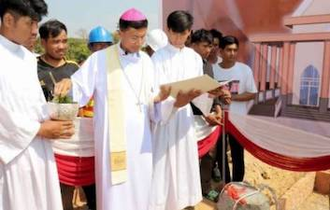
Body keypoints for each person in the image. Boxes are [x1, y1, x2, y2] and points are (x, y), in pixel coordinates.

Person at [54, 8, 170, 210]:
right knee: (114, 195)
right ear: (121, 33)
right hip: (112, 142)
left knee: (141, 188)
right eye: (134, 37)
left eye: (142, 37)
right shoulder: (100, 59)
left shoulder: (147, 62)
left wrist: (160, 99)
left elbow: (151, 99)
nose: (139, 42)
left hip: (142, 141)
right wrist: (69, 84)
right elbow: (79, 88)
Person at [0, 0, 75, 210]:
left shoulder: (27, 57)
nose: (35, 31)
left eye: (37, 23)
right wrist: (39, 129)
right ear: (8, 19)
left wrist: (56, 119)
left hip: (40, 148)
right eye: (30, 23)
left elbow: (31, 103)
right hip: (11, 154)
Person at [150, 11, 218, 210]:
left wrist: (210, 95)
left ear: (189, 32)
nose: (178, 38)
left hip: (185, 118)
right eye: (175, 33)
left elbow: (199, 89)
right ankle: (162, 204)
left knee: (184, 163)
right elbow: (155, 93)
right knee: (163, 164)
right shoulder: (158, 58)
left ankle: (185, 203)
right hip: (166, 118)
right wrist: (173, 102)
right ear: (168, 30)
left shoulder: (194, 58)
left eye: (183, 33)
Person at [37, 19, 96, 210]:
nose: (61, 46)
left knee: (91, 185)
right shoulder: (33, 68)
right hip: (50, 139)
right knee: (61, 190)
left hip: (79, 138)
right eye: (55, 42)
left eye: (64, 41)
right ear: (43, 42)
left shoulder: (75, 69)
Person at [212, 35, 257, 183]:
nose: (232, 53)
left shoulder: (244, 70)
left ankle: (237, 185)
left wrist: (233, 97)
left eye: (235, 50)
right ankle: (226, 184)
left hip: (238, 119)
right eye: (228, 50)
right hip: (218, 119)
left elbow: (252, 94)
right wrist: (218, 97)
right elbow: (207, 94)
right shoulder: (212, 70)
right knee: (220, 154)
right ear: (220, 51)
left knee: (238, 154)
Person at [190, 29, 223, 201]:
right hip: (191, 120)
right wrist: (204, 114)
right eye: (205, 46)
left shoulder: (208, 65)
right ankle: (190, 191)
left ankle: (205, 187)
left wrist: (217, 107)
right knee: (191, 157)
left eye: (210, 47)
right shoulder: (185, 65)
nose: (208, 50)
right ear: (192, 44)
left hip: (209, 119)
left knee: (210, 155)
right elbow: (186, 95)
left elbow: (212, 89)